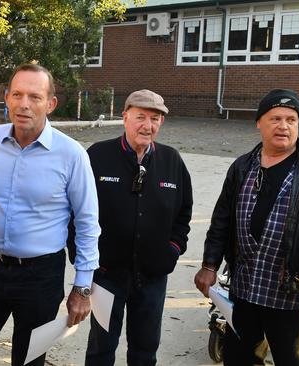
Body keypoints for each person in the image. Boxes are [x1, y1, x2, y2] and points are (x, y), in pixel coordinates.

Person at [0, 64, 101, 366]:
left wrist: (82, 287)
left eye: (35, 96)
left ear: (51, 104)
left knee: (28, 362)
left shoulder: (71, 155)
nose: (24, 104)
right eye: (17, 94)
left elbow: (86, 223)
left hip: (41, 277)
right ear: (6, 98)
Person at [194, 89, 299, 365]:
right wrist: (209, 264)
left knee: (294, 361)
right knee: (238, 359)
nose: (283, 126)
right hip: (245, 289)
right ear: (259, 123)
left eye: (291, 120)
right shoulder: (242, 167)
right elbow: (222, 219)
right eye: (275, 118)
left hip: (293, 295)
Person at [82, 90, 192, 365]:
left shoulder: (172, 161)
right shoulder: (97, 156)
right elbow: (76, 211)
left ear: (161, 123)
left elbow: (183, 214)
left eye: (154, 118)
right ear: (125, 117)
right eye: (140, 116)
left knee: (145, 352)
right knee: (100, 349)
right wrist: (85, 258)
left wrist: (173, 250)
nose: (147, 125)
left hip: (152, 279)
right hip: (106, 276)